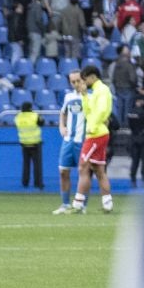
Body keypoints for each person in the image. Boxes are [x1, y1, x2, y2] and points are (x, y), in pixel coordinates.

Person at [67, 64, 116, 215]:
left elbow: (101, 111)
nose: (83, 82)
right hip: (98, 133)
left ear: (92, 77)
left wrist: (92, 127)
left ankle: (78, 203)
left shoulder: (102, 91)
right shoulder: (95, 92)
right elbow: (89, 111)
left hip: (96, 134)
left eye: (84, 79)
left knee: (83, 167)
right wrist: (84, 96)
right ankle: (107, 204)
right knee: (99, 170)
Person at [51, 70, 86, 212]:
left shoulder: (90, 97)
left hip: (82, 140)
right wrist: (61, 126)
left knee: (83, 174)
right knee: (63, 172)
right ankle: (65, 204)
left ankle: (82, 205)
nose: (76, 84)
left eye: (78, 81)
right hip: (68, 140)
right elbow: (63, 112)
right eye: (73, 82)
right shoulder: (69, 96)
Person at [15, 97, 43, 189]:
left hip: (24, 143)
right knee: (37, 165)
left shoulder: (18, 117)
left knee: (26, 164)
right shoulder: (35, 116)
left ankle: (25, 182)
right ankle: (38, 183)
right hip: (35, 143)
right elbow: (41, 123)